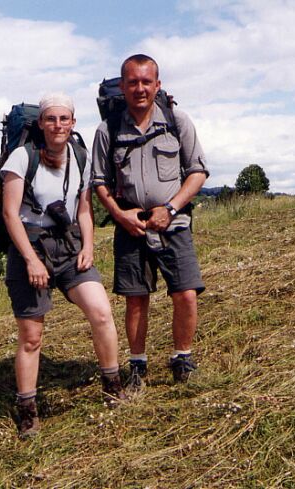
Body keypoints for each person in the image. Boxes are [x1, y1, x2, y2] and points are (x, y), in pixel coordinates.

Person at [1, 92, 126, 438]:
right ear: (40, 123)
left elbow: (84, 209)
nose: (58, 125)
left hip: (69, 245)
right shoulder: (21, 158)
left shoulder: (80, 157)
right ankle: (27, 409)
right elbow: (10, 214)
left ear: (73, 123)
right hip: (30, 245)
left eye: (64, 119)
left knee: (101, 312)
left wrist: (89, 246)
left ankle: (112, 385)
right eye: (51, 119)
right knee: (31, 336)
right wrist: (30, 260)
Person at [92, 54, 209, 389]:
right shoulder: (108, 129)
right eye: (132, 82)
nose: (139, 88)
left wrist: (170, 208)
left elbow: (198, 171)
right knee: (136, 299)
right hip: (131, 227)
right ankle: (138, 366)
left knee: (185, 293)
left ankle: (182, 358)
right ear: (123, 86)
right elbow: (98, 181)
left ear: (158, 85)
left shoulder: (176, 120)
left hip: (173, 224)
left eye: (146, 82)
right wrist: (119, 214)